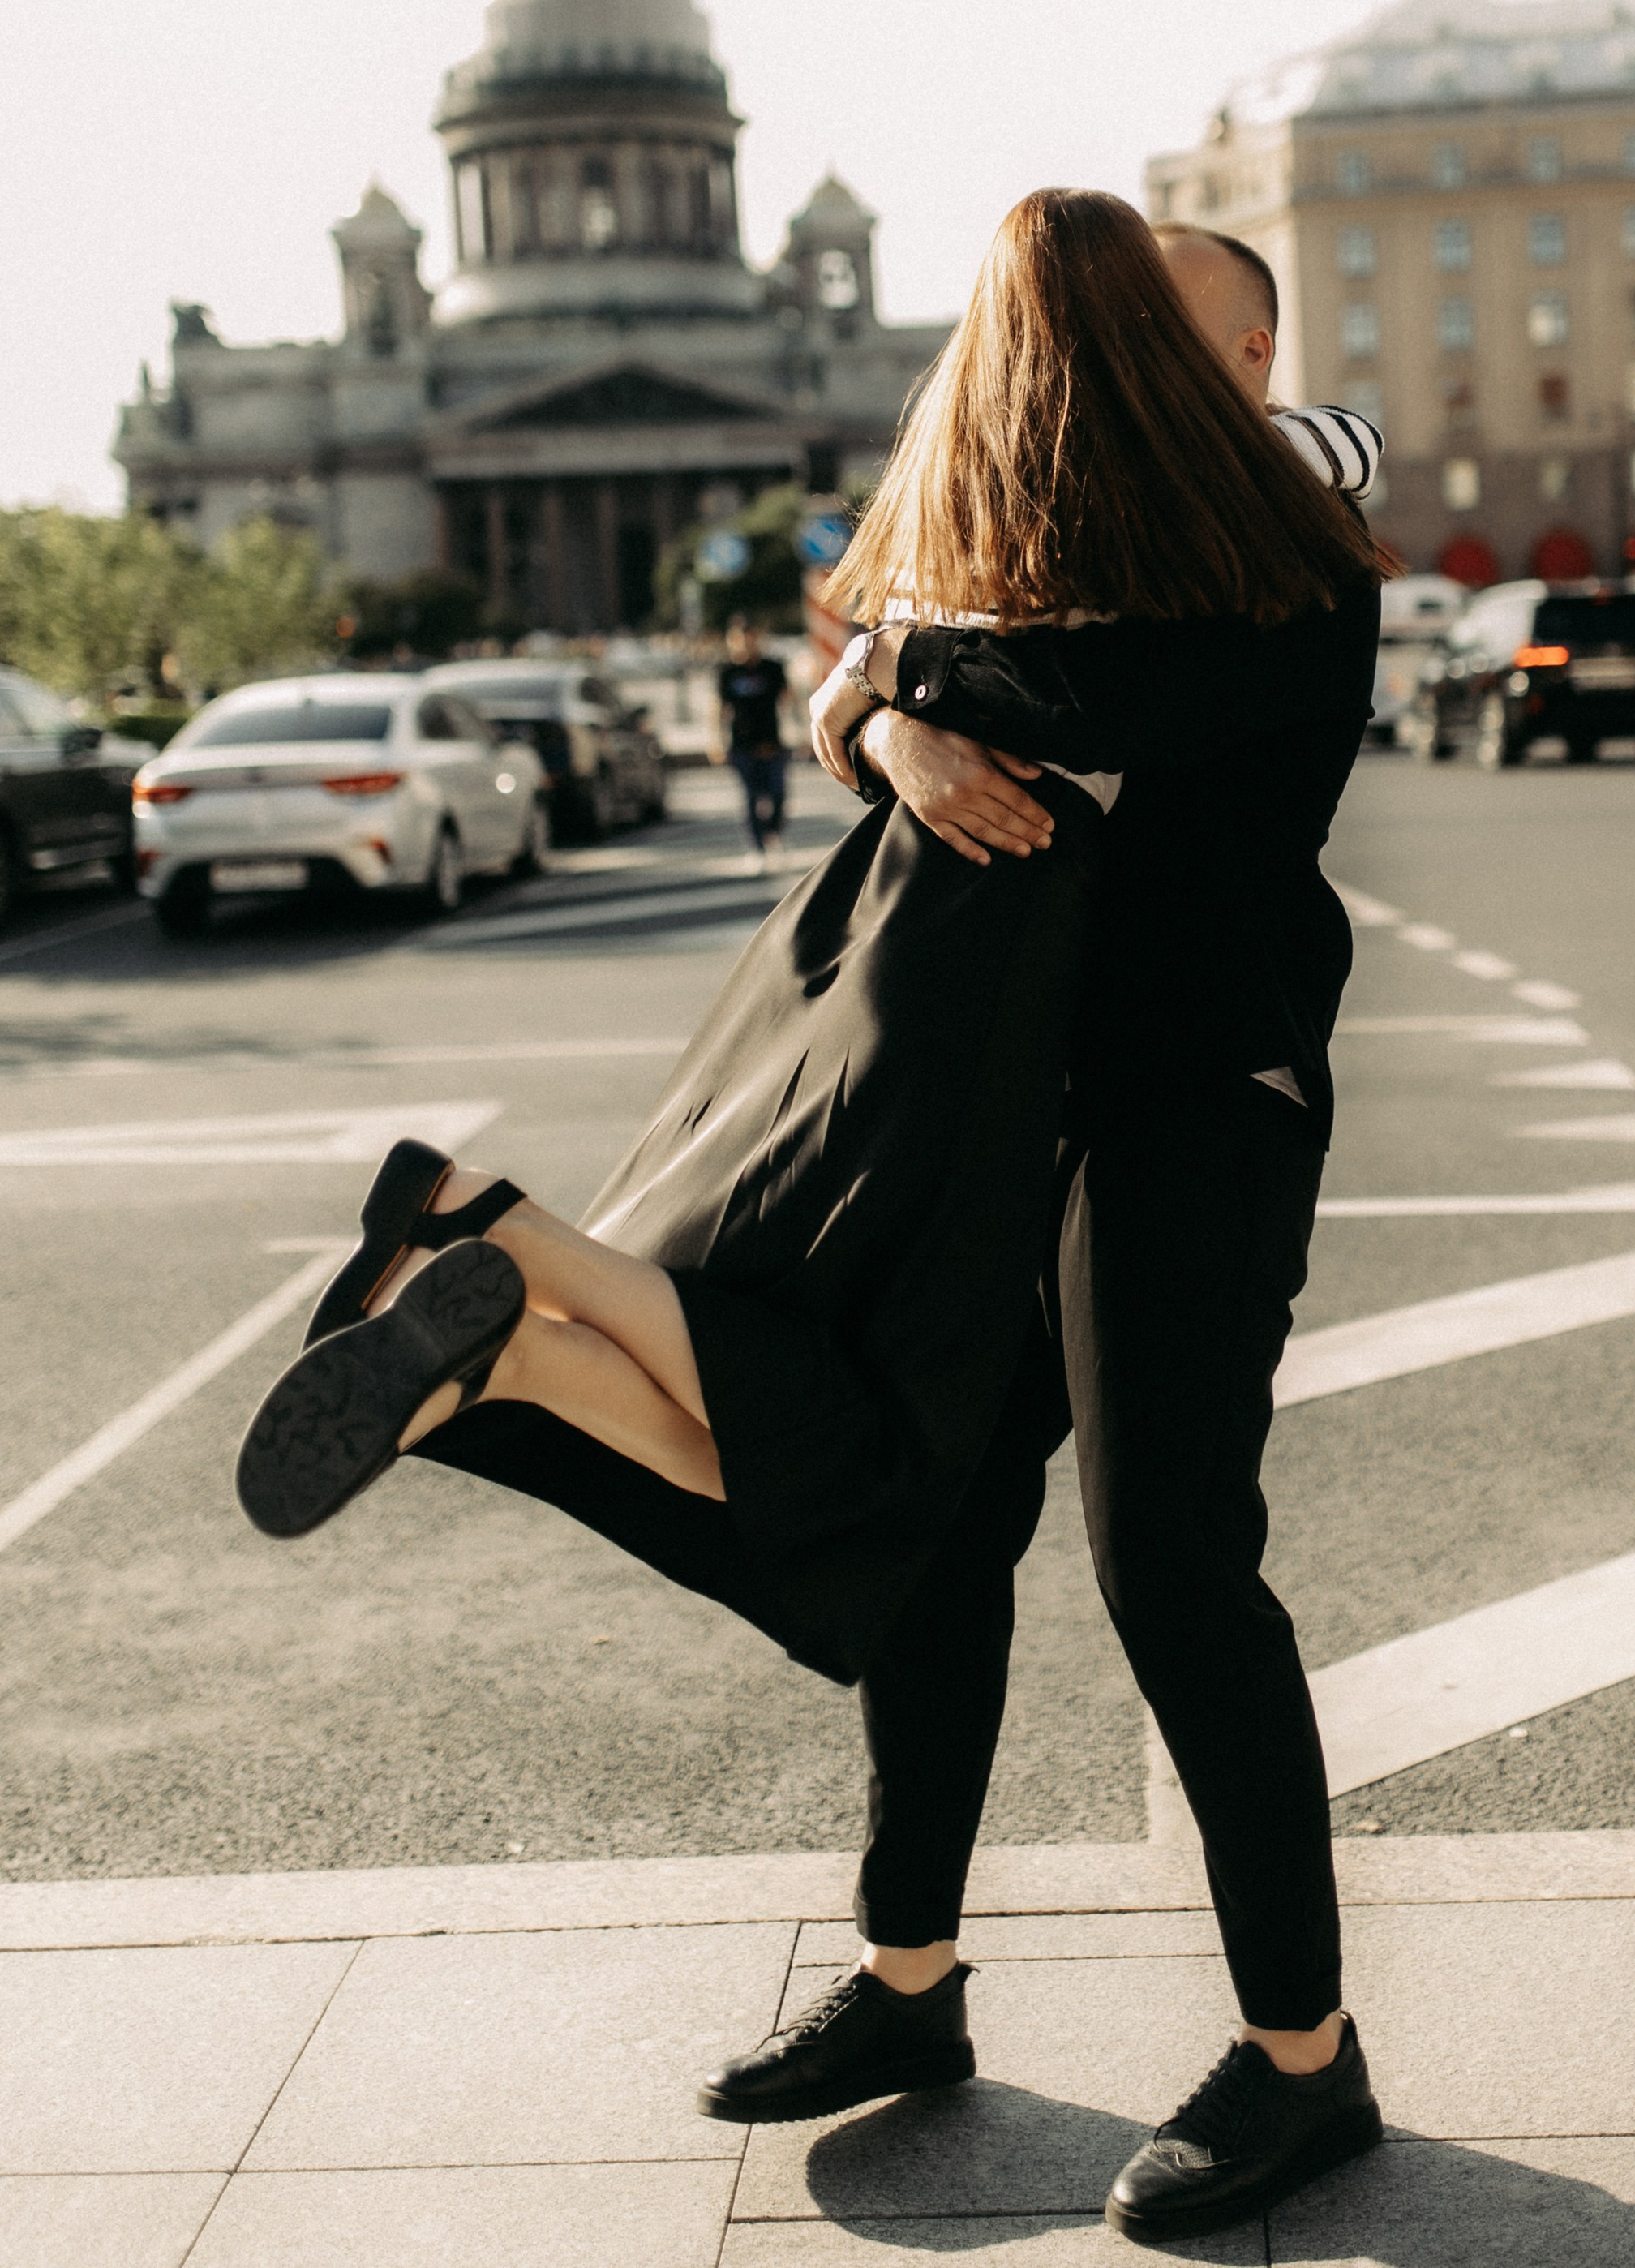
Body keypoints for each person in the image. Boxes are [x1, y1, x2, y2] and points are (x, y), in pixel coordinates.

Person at [231, 192, 1384, 2239]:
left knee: (1171, 1565)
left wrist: (898, 683)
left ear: (1257, 374)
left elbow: (1080, 693)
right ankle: (908, 1983)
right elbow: (846, 666)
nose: (1169, 391)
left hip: (1187, 1115)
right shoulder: (1068, 553)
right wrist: (873, 710)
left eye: (1207, 353)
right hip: (999, 1114)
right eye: (1143, 356)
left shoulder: (1285, 542)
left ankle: (1305, 2062)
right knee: (915, 1524)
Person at [715, 613, 792, 857]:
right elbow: (719, 709)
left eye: (750, 638)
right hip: (742, 745)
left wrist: (802, 731)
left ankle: (772, 833)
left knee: (778, 795)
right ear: (731, 641)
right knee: (750, 798)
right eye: (739, 640)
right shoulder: (727, 672)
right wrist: (716, 741)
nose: (745, 644)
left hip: (772, 743)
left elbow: (788, 700)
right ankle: (757, 847)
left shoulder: (772, 667)